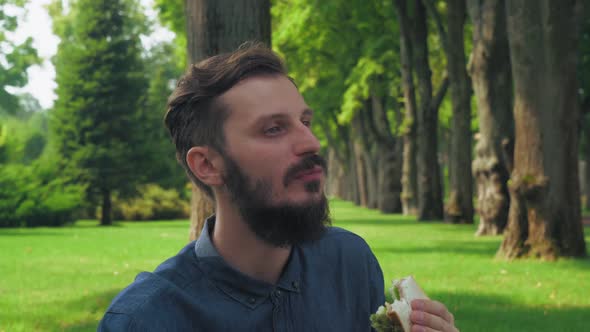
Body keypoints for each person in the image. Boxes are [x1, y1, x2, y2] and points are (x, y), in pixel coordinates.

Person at [98, 43, 458, 332]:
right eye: (274, 129)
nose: (311, 142)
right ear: (207, 165)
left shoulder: (350, 264)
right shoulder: (145, 320)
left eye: (305, 122)